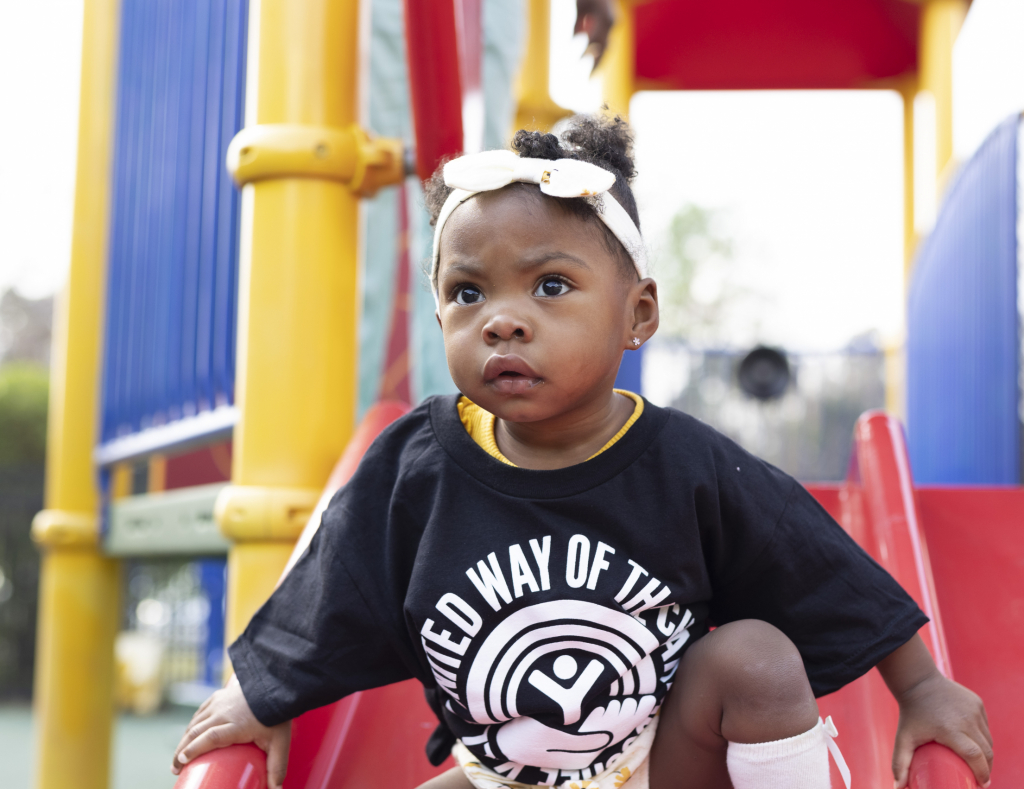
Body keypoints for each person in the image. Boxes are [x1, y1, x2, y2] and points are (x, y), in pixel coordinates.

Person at [172, 115, 992, 789]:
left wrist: (920, 687)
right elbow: (332, 584)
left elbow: (813, 561)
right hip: (505, 776)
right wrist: (265, 696)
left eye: (550, 286)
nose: (502, 317)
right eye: (468, 292)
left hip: (662, 764)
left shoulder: (686, 465)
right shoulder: (419, 466)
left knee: (757, 658)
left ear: (637, 315)